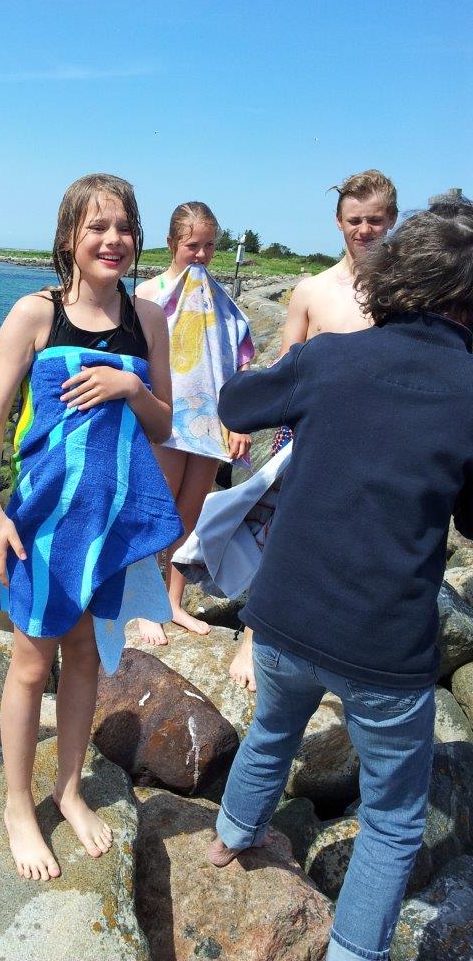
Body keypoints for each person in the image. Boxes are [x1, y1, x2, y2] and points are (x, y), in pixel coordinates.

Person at [208, 202, 473, 961]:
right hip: (383, 645)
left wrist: (295, 378)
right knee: (393, 818)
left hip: (284, 615)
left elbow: (237, 403)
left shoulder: (330, 358)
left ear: (395, 276)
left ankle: (231, 837)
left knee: (273, 730)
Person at [0, 174, 182, 881]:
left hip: (107, 523)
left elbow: (164, 425)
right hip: (42, 521)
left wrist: (131, 386)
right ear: (68, 238)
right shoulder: (36, 313)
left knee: (85, 655)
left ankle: (68, 790)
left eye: (123, 227)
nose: (113, 240)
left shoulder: (147, 318)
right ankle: (17, 806)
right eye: (97, 227)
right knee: (32, 663)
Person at [229, 169, 398, 690]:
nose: (364, 230)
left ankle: (338, 641)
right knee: (279, 532)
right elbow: (286, 366)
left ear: (392, 219)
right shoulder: (311, 290)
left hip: (379, 436)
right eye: (355, 220)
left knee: (361, 539)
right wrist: (246, 418)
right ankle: (253, 635)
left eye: (375, 220)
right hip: (308, 433)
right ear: (338, 222)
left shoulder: (407, 290)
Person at [134, 203, 254, 646]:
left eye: (208, 246)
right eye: (191, 246)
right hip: (164, 416)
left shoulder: (220, 300)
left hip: (209, 420)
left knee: (190, 512)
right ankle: (144, 602)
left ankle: (172, 601)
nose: (201, 255)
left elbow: (237, 363)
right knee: (159, 506)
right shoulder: (149, 293)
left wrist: (239, 421)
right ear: (171, 244)